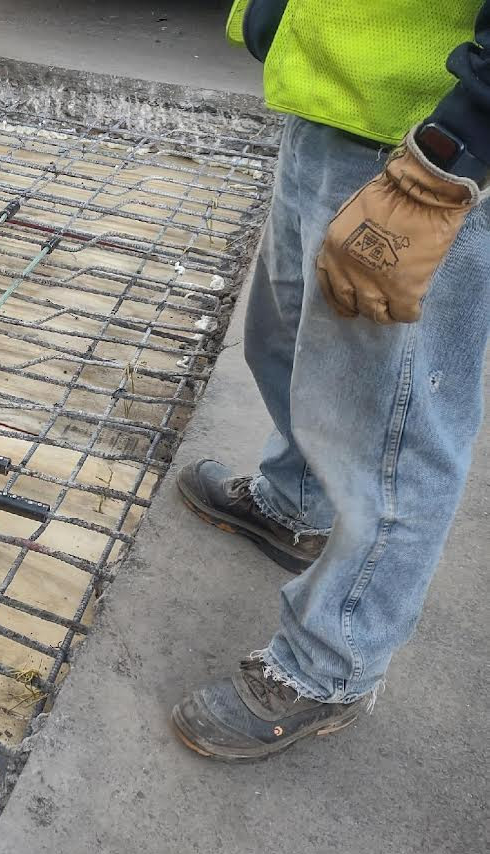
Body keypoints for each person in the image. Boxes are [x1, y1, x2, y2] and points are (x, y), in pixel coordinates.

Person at [172, 1, 490, 760]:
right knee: (281, 341)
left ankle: (330, 665)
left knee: (392, 437)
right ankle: (296, 506)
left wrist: (458, 144)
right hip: (331, 103)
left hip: (430, 143)